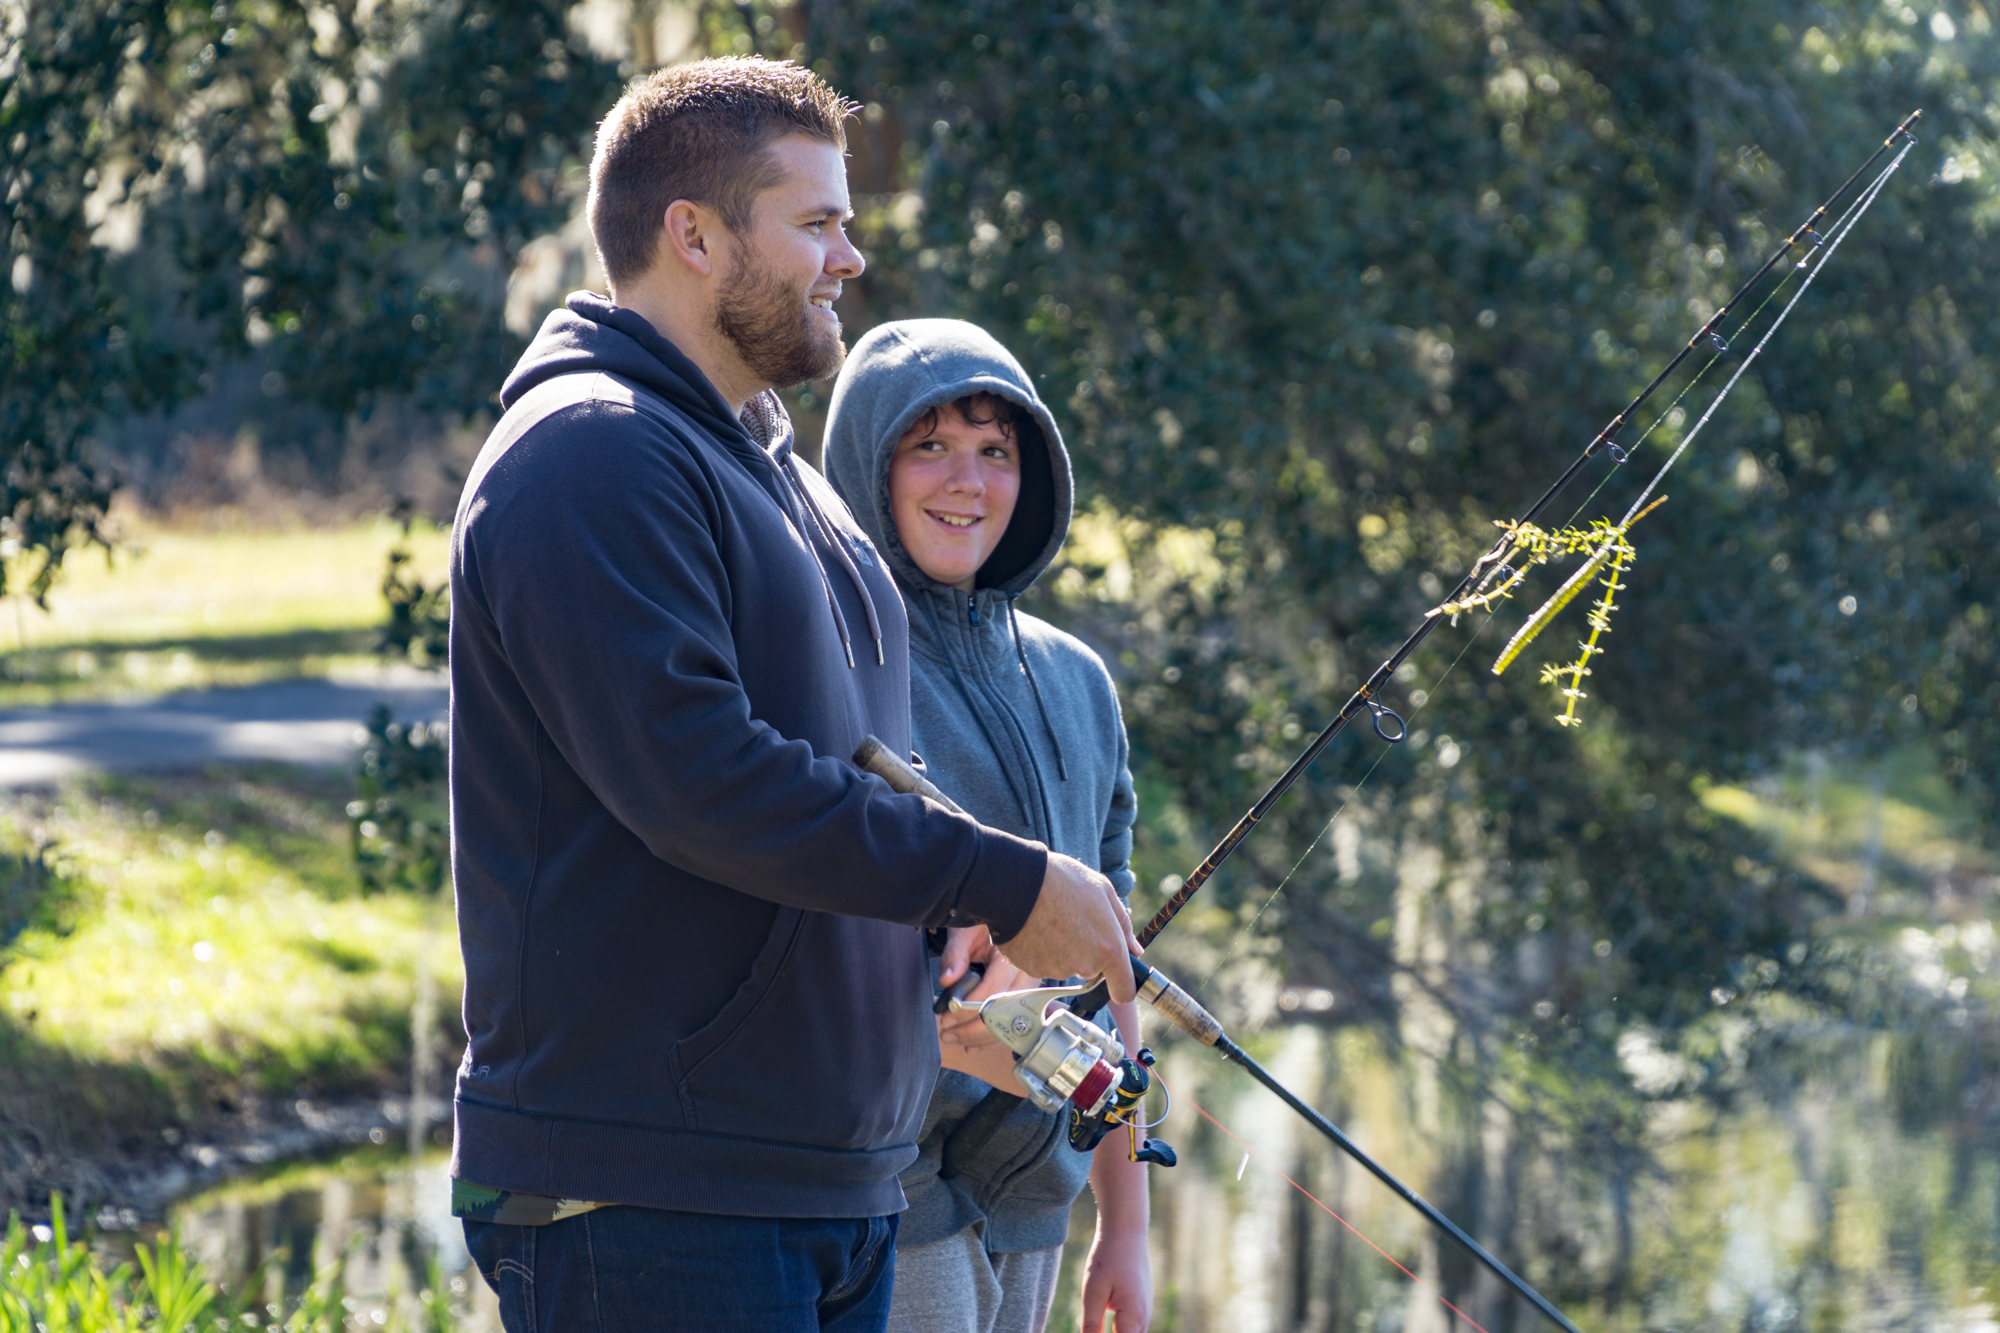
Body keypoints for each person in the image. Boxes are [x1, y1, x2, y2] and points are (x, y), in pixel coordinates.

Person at [445, 59, 1141, 1332]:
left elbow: (843, 780)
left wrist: (937, 944)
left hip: (827, 1182)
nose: (849, 259)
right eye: (816, 222)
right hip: (652, 1193)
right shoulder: (590, 454)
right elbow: (703, 785)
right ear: (694, 235)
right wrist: (997, 879)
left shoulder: (780, 470)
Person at [825, 320, 1154, 1333]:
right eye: (927, 445)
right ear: (866, 465)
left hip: (1036, 1201)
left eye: (995, 450)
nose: (964, 481)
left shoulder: (1078, 679)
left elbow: (1114, 972)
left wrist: (1126, 1226)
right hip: (890, 1184)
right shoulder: (831, 658)